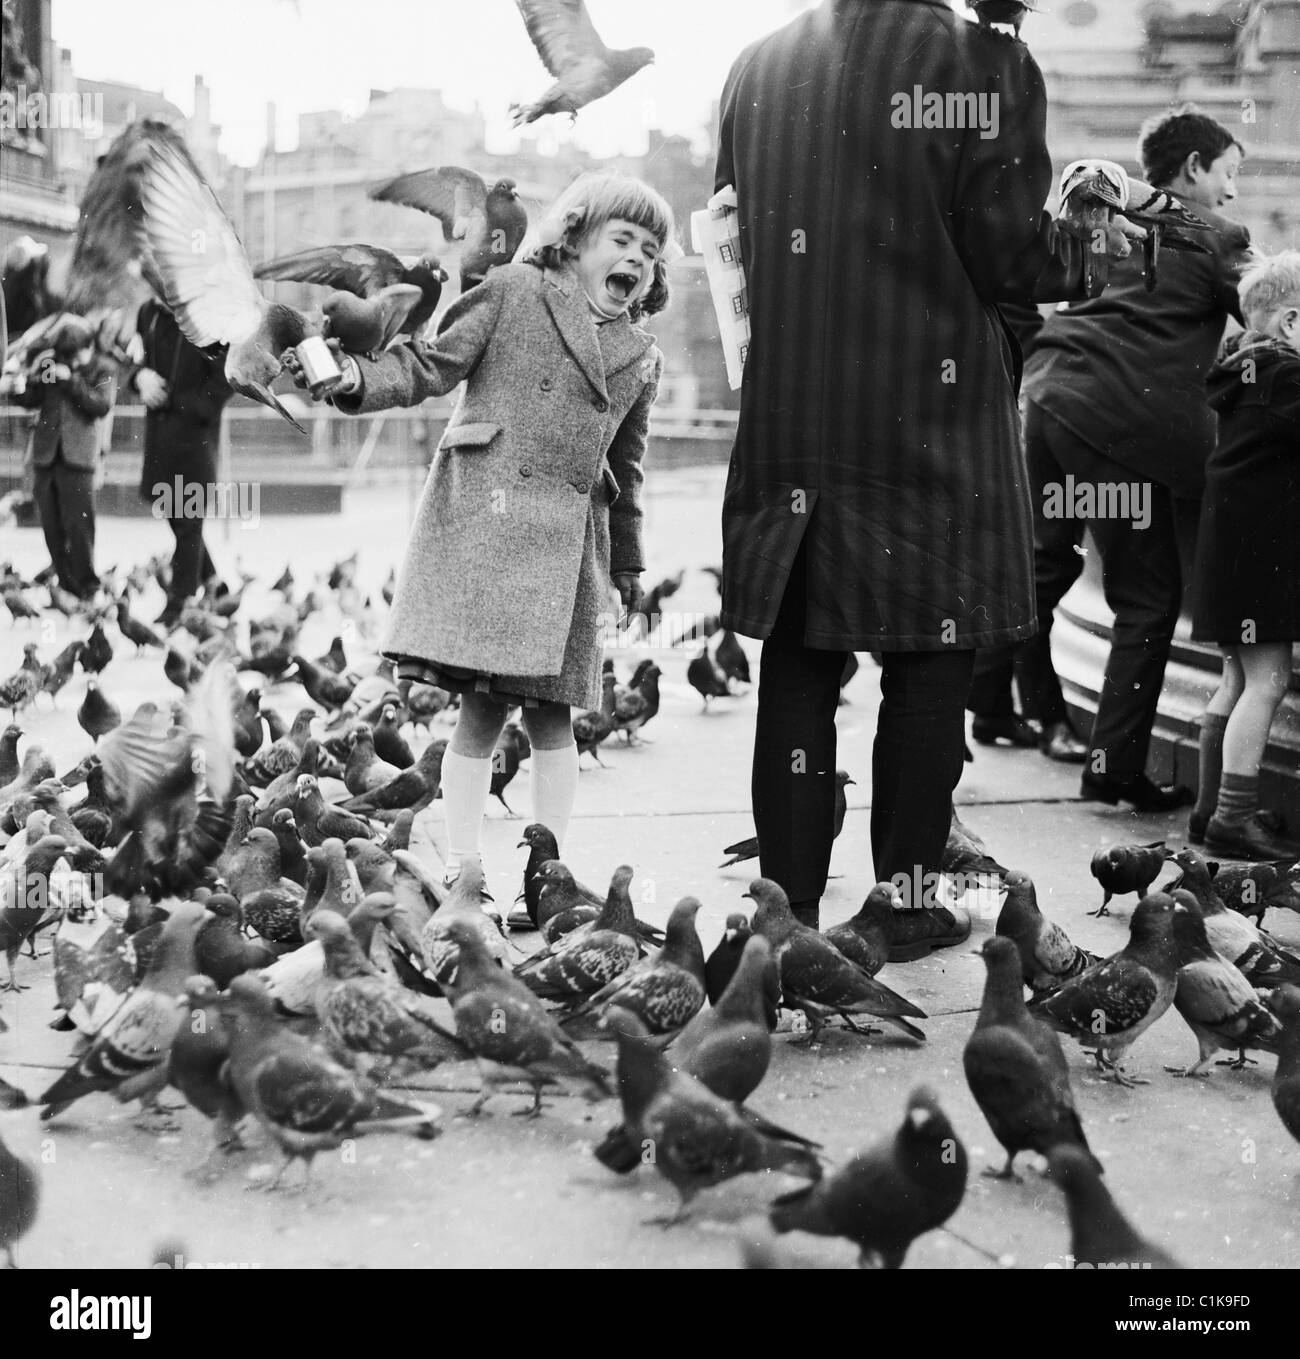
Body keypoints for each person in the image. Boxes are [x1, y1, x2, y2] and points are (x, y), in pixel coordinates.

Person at [714, 0, 1138, 930]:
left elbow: (731, 233)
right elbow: (1012, 252)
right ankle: (902, 909)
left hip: (793, 419)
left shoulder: (758, 64)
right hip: (927, 417)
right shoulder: (978, 59)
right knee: (929, 663)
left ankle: (786, 911)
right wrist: (1107, 247)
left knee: (799, 663)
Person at [291, 171, 672, 889]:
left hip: (568, 548)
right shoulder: (512, 292)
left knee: (556, 717)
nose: (637, 260)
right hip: (487, 528)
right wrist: (352, 382)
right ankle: (466, 869)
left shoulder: (642, 358)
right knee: (482, 710)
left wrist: (628, 569)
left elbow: (628, 468)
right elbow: (429, 368)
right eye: (622, 240)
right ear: (574, 240)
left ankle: (546, 878)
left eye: (651, 252)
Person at [1015, 108, 1255, 811]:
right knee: (1148, 597)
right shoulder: (1215, 235)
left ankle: (993, 698)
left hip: (1051, 406)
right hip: (1119, 432)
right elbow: (1275, 310)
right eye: (1229, 173)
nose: (1233, 192)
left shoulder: (1102, 222)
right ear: (1192, 171)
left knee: (1046, 564)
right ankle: (1114, 767)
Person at [1189, 254, 1300, 860]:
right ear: (1288, 324)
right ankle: (1234, 815)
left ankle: (1209, 813)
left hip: (1230, 558)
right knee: (1268, 682)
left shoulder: (1245, 374)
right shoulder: (1287, 378)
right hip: (1262, 559)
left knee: (1235, 678)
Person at [131, 297, 234, 627]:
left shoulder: (209, 313)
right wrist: (138, 378)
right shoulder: (147, 312)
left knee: (189, 521)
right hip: (160, 438)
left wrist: (188, 406)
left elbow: (226, 377)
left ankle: (180, 603)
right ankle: (215, 584)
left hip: (195, 439)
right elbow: (132, 359)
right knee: (178, 519)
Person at [9, 316, 114, 601]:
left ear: (87, 348)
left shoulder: (103, 368)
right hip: (46, 456)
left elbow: (100, 406)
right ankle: (67, 589)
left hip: (78, 459)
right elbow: (34, 396)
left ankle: (88, 587)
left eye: (71, 355)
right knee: (52, 526)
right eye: (62, 356)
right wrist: (16, 389)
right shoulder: (49, 363)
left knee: (79, 527)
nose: (66, 361)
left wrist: (72, 382)